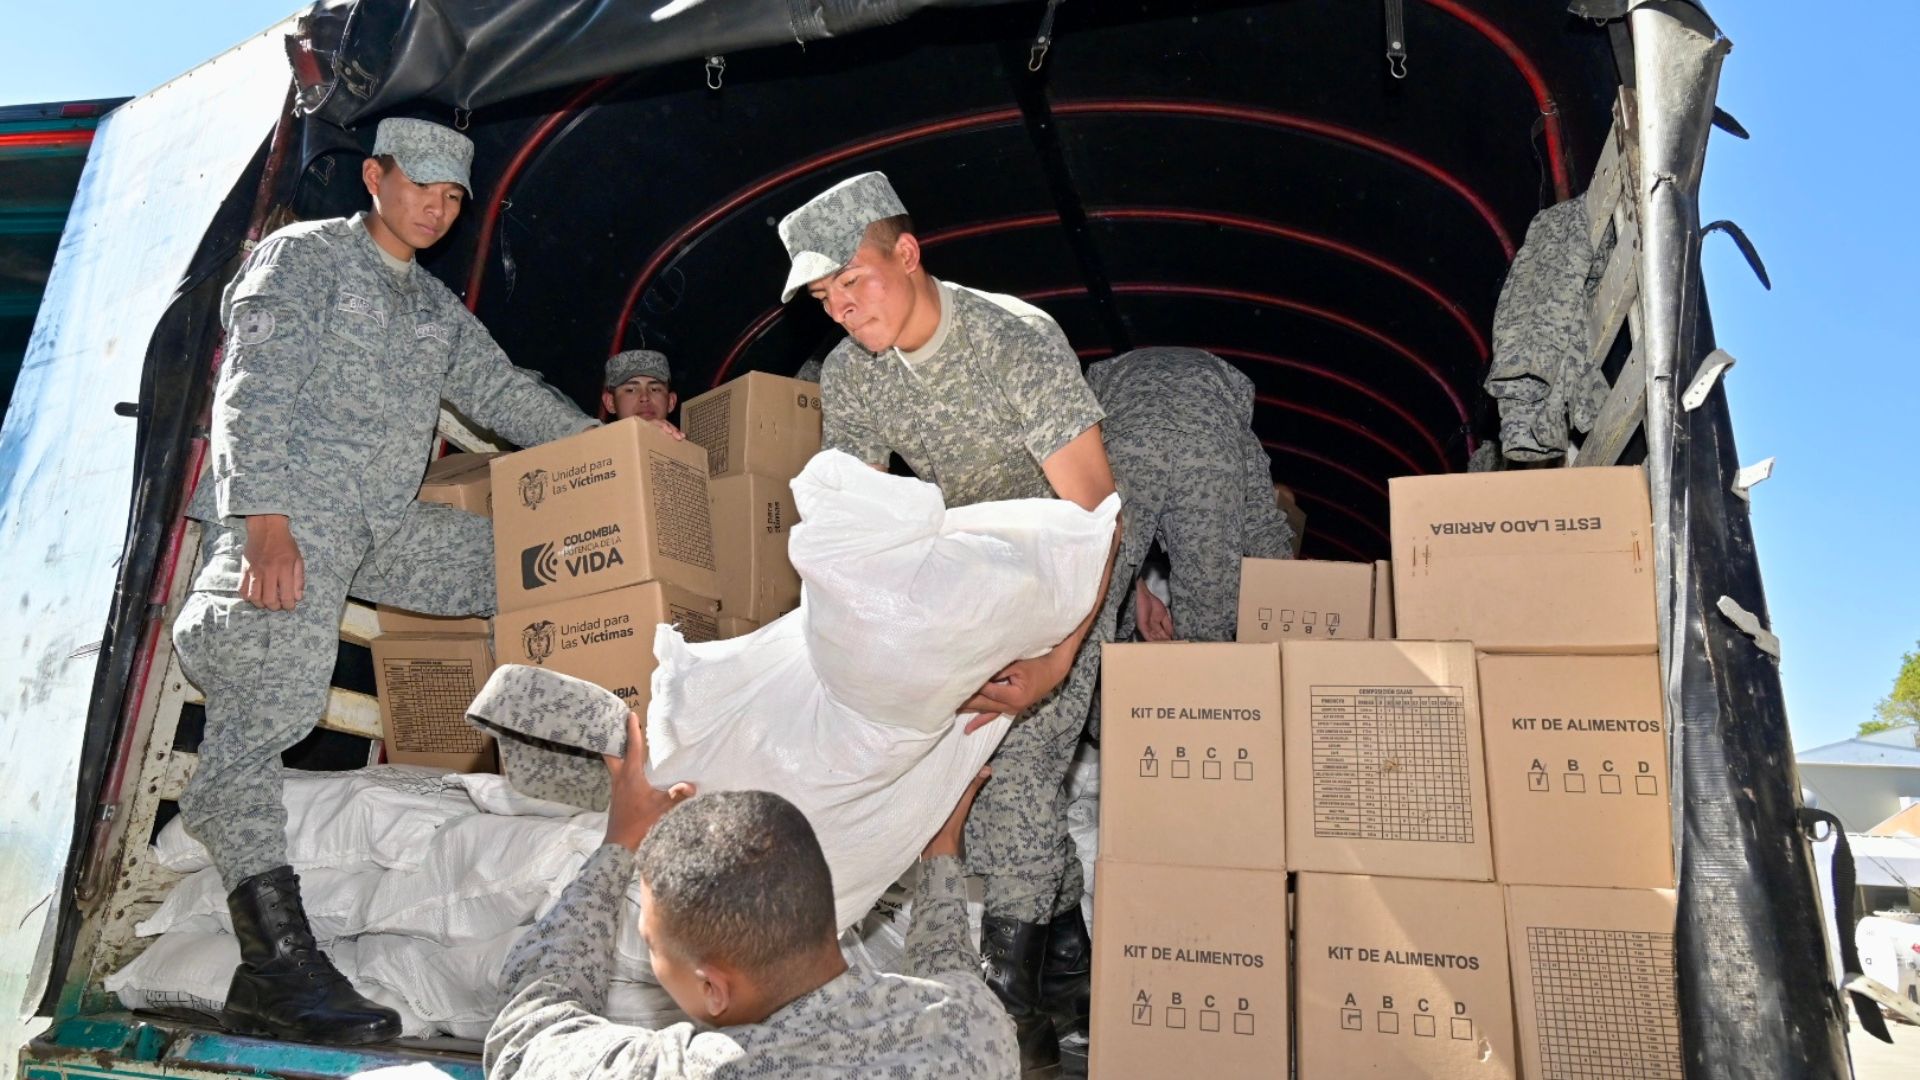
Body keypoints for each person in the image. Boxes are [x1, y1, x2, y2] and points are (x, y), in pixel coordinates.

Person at [170, 117, 599, 1045]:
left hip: (379, 523)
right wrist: (264, 527)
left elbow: (506, 393)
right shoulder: (304, 257)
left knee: (530, 572)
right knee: (268, 712)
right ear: (375, 176)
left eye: (454, 198)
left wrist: (619, 449)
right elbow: (251, 386)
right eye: (422, 187)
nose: (437, 209)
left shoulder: (434, 308)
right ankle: (273, 967)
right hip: (290, 519)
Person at [775, 171, 1117, 1072]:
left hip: (1064, 569)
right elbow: (850, 521)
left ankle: (1010, 1017)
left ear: (908, 253)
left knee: (1013, 771)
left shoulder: (1014, 340)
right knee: (938, 749)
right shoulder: (852, 374)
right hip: (964, 576)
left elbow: (1094, 510)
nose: (844, 310)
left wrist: (1055, 665)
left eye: (855, 282)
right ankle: (1069, 958)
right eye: (824, 297)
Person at [485, 711, 1019, 1078]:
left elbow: (527, 1035)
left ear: (713, 990)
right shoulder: (976, 1024)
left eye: (651, 944)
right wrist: (942, 854)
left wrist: (618, 846)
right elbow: (950, 974)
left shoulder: (702, 1069)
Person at [1087, 346, 1296, 644]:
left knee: (1096, 600)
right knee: (1208, 616)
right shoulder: (1222, 390)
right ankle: (1199, 682)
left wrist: (1132, 595)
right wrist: (1300, 590)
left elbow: (1076, 513)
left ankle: (1097, 684)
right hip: (1211, 446)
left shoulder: (1111, 375)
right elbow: (1261, 521)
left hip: (1126, 437)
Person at [604, 349, 677, 423]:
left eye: (655, 389)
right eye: (631, 390)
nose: (645, 398)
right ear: (610, 402)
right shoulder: (596, 433)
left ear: (671, 401)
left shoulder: (684, 434)